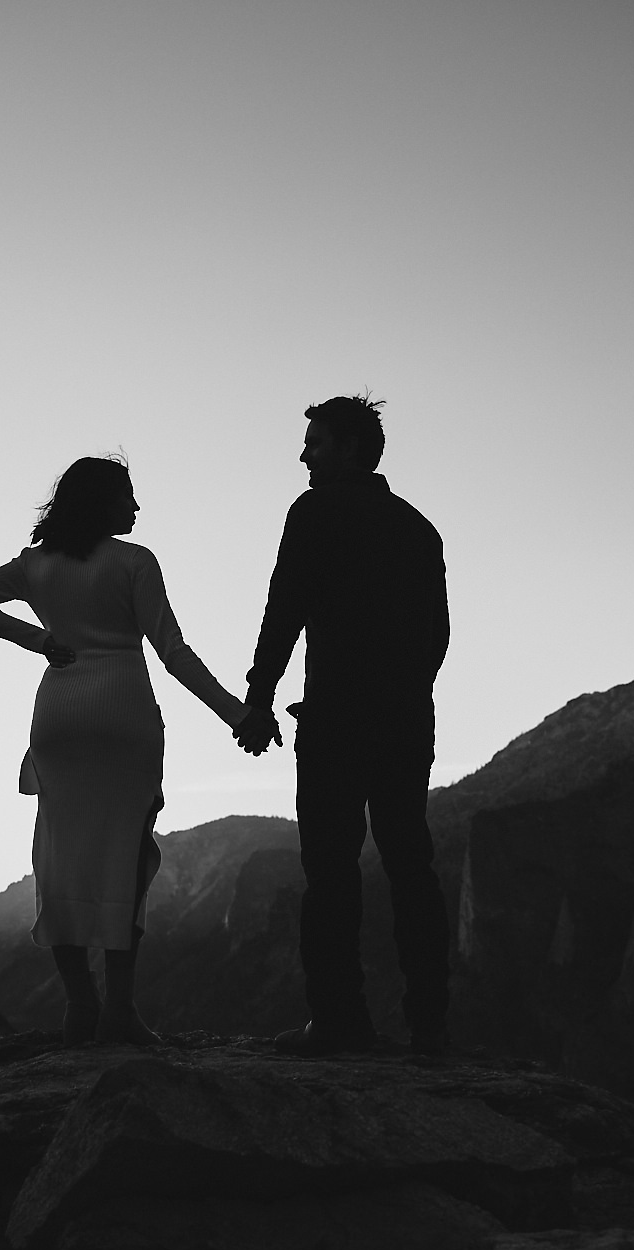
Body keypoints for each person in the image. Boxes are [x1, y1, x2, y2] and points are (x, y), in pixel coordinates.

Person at [0, 456, 248, 1046]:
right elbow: (173, 652)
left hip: (59, 713)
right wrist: (235, 713)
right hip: (124, 712)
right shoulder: (136, 562)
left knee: (60, 853)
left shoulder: (35, 566)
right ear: (100, 503)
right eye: (128, 497)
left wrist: (39, 640)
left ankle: (78, 1004)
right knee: (126, 857)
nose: (136, 509)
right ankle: (118, 1008)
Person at [233, 396, 452, 1056]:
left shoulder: (314, 511)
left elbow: (285, 609)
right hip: (408, 723)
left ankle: (338, 1021)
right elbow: (437, 634)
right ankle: (431, 1026)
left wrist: (259, 696)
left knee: (331, 872)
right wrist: (408, 696)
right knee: (412, 867)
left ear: (351, 446)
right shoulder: (419, 528)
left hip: (334, 721)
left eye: (317, 443)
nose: (304, 455)